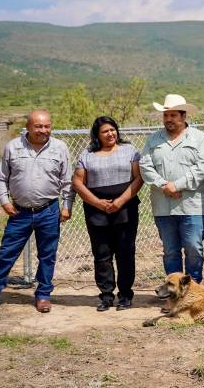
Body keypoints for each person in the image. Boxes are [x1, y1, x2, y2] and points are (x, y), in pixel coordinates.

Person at [0, 110, 72, 314]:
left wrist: (66, 206)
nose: (43, 130)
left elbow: (67, 181)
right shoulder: (13, 147)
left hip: (49, 210)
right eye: (38, 126)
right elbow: (0, 178)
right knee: (6, 255)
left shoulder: (60, 148)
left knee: (47, 256)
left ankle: (43, 295)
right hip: (19, 213)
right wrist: (4, 201)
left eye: (47, 126)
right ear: (28, 127)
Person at [71, 115, 143, 311]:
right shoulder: (87, 154)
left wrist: (120, 201)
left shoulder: (129, 150)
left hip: (125, 208)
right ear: (97, 135)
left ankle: (126, 295)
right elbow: (77, 182)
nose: (110, 134)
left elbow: (138, 178)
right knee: (102, 254)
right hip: (97, 211)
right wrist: (98, 203)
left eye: (113, 130)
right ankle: (106, 296)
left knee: (125, 253)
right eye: (105, 131)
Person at [140, 94, 204, 285]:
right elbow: (145, 166)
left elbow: (202, 168)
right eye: (166, 115)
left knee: (194, 248)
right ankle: (173, 293)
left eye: (173, 115)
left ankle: (193, 288)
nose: (169, 119)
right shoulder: (153, 140)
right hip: (163, 207)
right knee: (170, 250)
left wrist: (177, 185)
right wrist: (164, 185)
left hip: (191, 206)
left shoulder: (199, 138)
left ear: (183, 116)